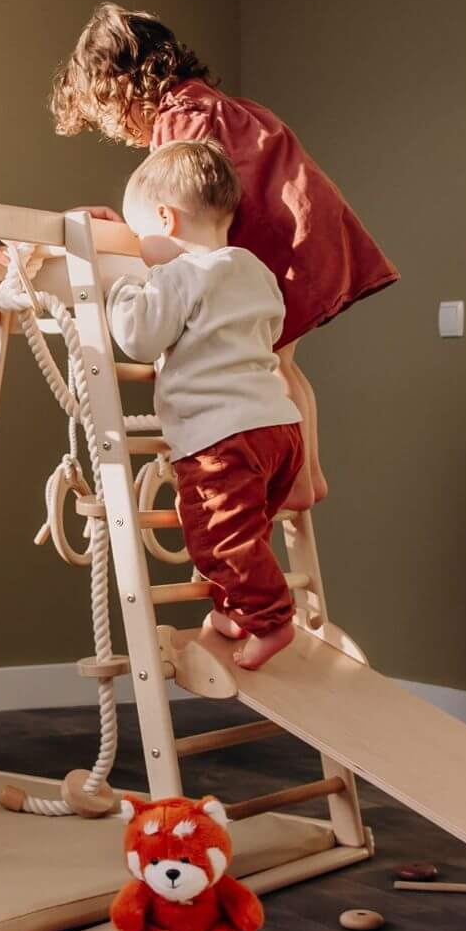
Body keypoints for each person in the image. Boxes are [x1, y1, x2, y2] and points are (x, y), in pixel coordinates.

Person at [50, 4, 397, 509]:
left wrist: (126, 236)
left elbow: (179, 215)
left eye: (109, 116)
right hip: (296, 234)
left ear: (124, 89)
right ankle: (308, 473)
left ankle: (301, 480)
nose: (119, 132)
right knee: (281, 366)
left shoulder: (181, 124)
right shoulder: (222, 107)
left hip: (274, 244)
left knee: (271, 367)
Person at [102, 141, 304, 670]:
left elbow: (140, 338)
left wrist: (121, 286)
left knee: (216, 536)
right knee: (248, 531)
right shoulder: (253, 270)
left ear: (164, 220)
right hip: (280, 428)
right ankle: (235, 610)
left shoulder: (179, 275)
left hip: (224, 438)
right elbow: (273, 327)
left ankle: (272, 620)